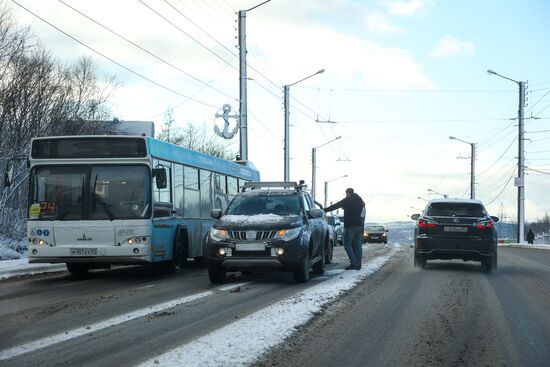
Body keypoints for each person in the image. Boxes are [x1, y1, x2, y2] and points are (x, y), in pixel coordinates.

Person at [324, 188, 365, 270]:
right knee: (357, 245)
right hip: (359, 225)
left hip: (350, 225)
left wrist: (324, 210)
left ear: (347, 193)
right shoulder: (360, 200)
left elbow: (336, 205)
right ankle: (358, 264)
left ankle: (353, 263)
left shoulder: (348, 199)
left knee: (347, 245)